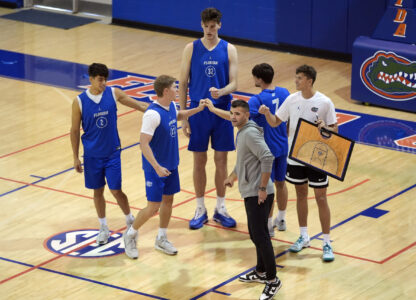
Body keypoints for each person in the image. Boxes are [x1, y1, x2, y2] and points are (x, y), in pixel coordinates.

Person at [259, 64, 338, 262]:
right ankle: (304, 236)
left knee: (321, 198)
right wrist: (267, 113)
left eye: (299, 78)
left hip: (316, 157)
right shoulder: (291, 99)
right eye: (296, 77)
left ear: (309, 81)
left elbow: (334, 130)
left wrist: (324, 127)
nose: (296, 81)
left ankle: (327, 242)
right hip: (294, 157)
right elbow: (276, 122)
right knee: (301, 195)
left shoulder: (325, 102)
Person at [123, 75, 206, 259]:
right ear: (166, 91)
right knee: (153, 207)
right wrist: (157, 167)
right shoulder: (152, 114)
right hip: (156, 168)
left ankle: (161, 238)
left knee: (168, 202)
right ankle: (130, 234)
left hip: (171, 165)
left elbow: (178, 115)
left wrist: (197, 110)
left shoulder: (171, 106)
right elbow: (143, 144)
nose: (177, 90)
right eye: (174, 87)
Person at [70, 63, 149, 245]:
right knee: (98, 191)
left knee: (115, 190)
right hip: (91, 156)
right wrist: (75, 157)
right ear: (91, 79)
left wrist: (155, 109)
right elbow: (74, 131)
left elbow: (138, 105)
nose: (103, 82)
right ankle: (103, 227)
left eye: (105, 79)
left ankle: (130, 219)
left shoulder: (113, 93)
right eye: (100, 79)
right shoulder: (79, 102)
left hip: (112, 153)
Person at [178, 7, 238, 229]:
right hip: (198, 111)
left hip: (221, 110)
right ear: (201, 25)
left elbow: (234, 83)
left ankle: (220, 208)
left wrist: (221, 92)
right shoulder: (190, 48)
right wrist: (184, 116)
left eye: (213, 26)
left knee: (221, 161)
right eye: (206, 26)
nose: (210, 30)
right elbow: (182, 83)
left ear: (219, 25)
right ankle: (200, 208)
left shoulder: (229, 49)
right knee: (199, 161)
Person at [224, 100, 282, 300]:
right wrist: (232, 176)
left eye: (238, 114)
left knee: (261, 237)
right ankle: (260, 271)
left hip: (259, 193)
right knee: (256, 235)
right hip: (252, 191)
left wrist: (262, 188)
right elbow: (244, 161)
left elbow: (267, 157)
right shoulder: (242, 132)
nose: (233, 117)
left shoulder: (248, 133)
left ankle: (273, 280)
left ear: (247, 115)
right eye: (232, 113)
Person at [248, 63, 290, 237]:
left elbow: (241, 120)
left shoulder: (256, 100)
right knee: (281, 183)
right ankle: (281, 219)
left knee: (267, 187)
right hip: (283, 145)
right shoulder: (285, 93)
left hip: (267, 150)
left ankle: (268, 224)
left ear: (258, 79)